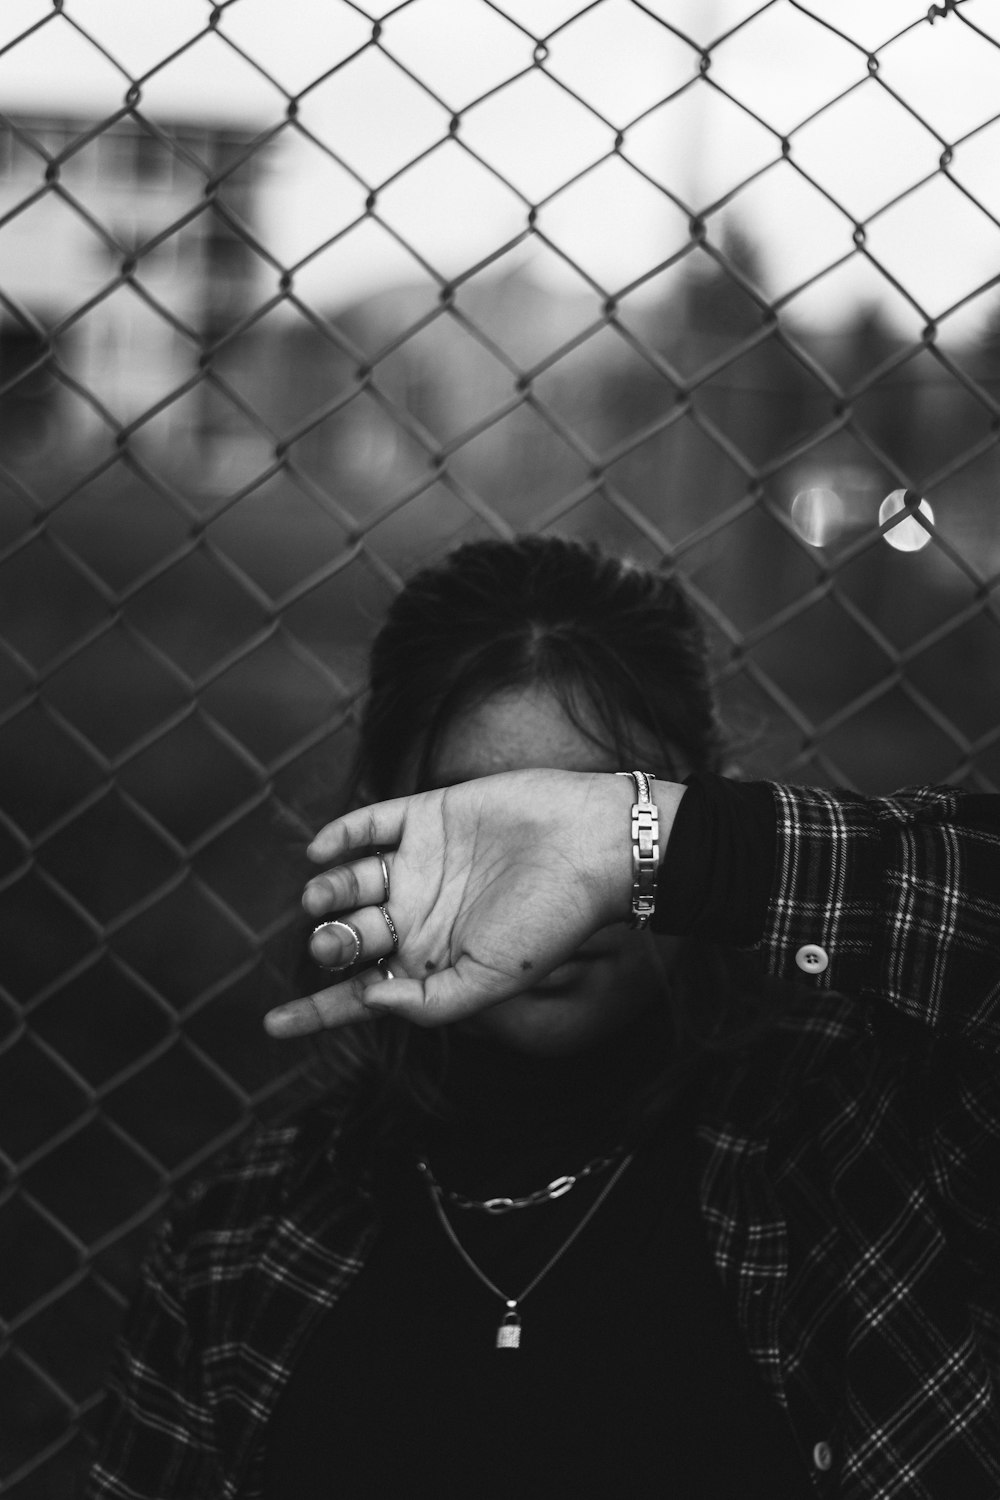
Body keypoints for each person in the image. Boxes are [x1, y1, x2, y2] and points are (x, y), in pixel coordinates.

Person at [86, 535, 1000, 1500]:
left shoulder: (870, 1139)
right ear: (383, 815)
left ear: (696, 803)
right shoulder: (240, 1245)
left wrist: (655, 851)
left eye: (598, 825)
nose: (549, 902)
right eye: (482, 824)